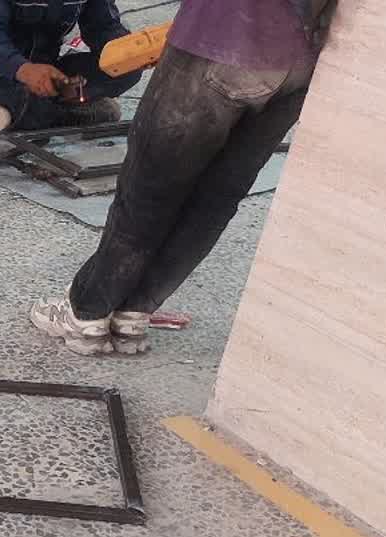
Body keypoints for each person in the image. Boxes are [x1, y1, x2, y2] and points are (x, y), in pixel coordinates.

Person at [31, 0, 338, 355]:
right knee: (216, 199)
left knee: (149, 188)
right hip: (299, 62)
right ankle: (134, 311)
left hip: (223, 36)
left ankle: (87, 311)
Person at [0, 0, 143, 135]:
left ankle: (42, 110)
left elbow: (103, 27)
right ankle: (51, 110)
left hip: (47, 71)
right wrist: (24, 70)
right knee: (28, 100)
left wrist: (131, 51)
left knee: (127, 71)